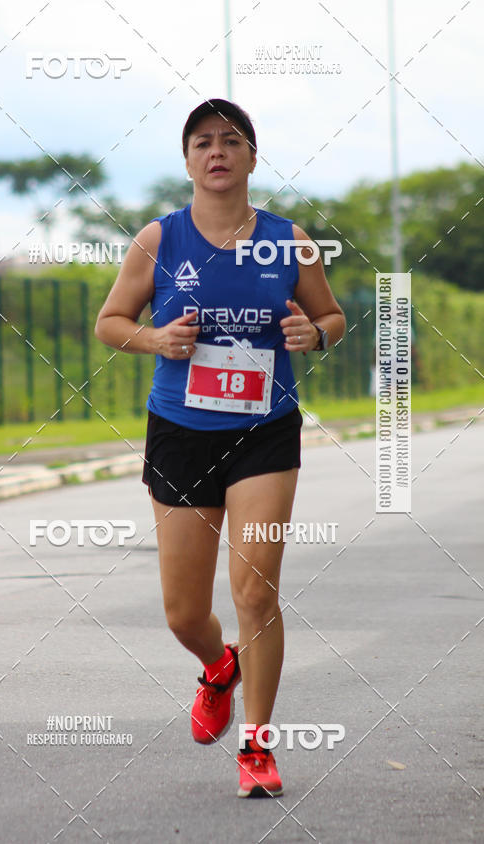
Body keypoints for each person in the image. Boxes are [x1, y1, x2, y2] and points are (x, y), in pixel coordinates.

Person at [95, 98, 346, 798]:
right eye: (203, 142)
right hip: (179, 431)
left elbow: (332, 314)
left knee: (254, 589)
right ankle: (216, 667)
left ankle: (258, 746)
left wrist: (315, 334)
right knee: (183, 611)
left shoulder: (288, 241)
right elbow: (110, 321)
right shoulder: (159, 240)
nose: (217, 151)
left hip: (264, 430)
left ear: (250, 158)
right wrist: (155, 338)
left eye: (231, 140)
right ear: (187, 161)